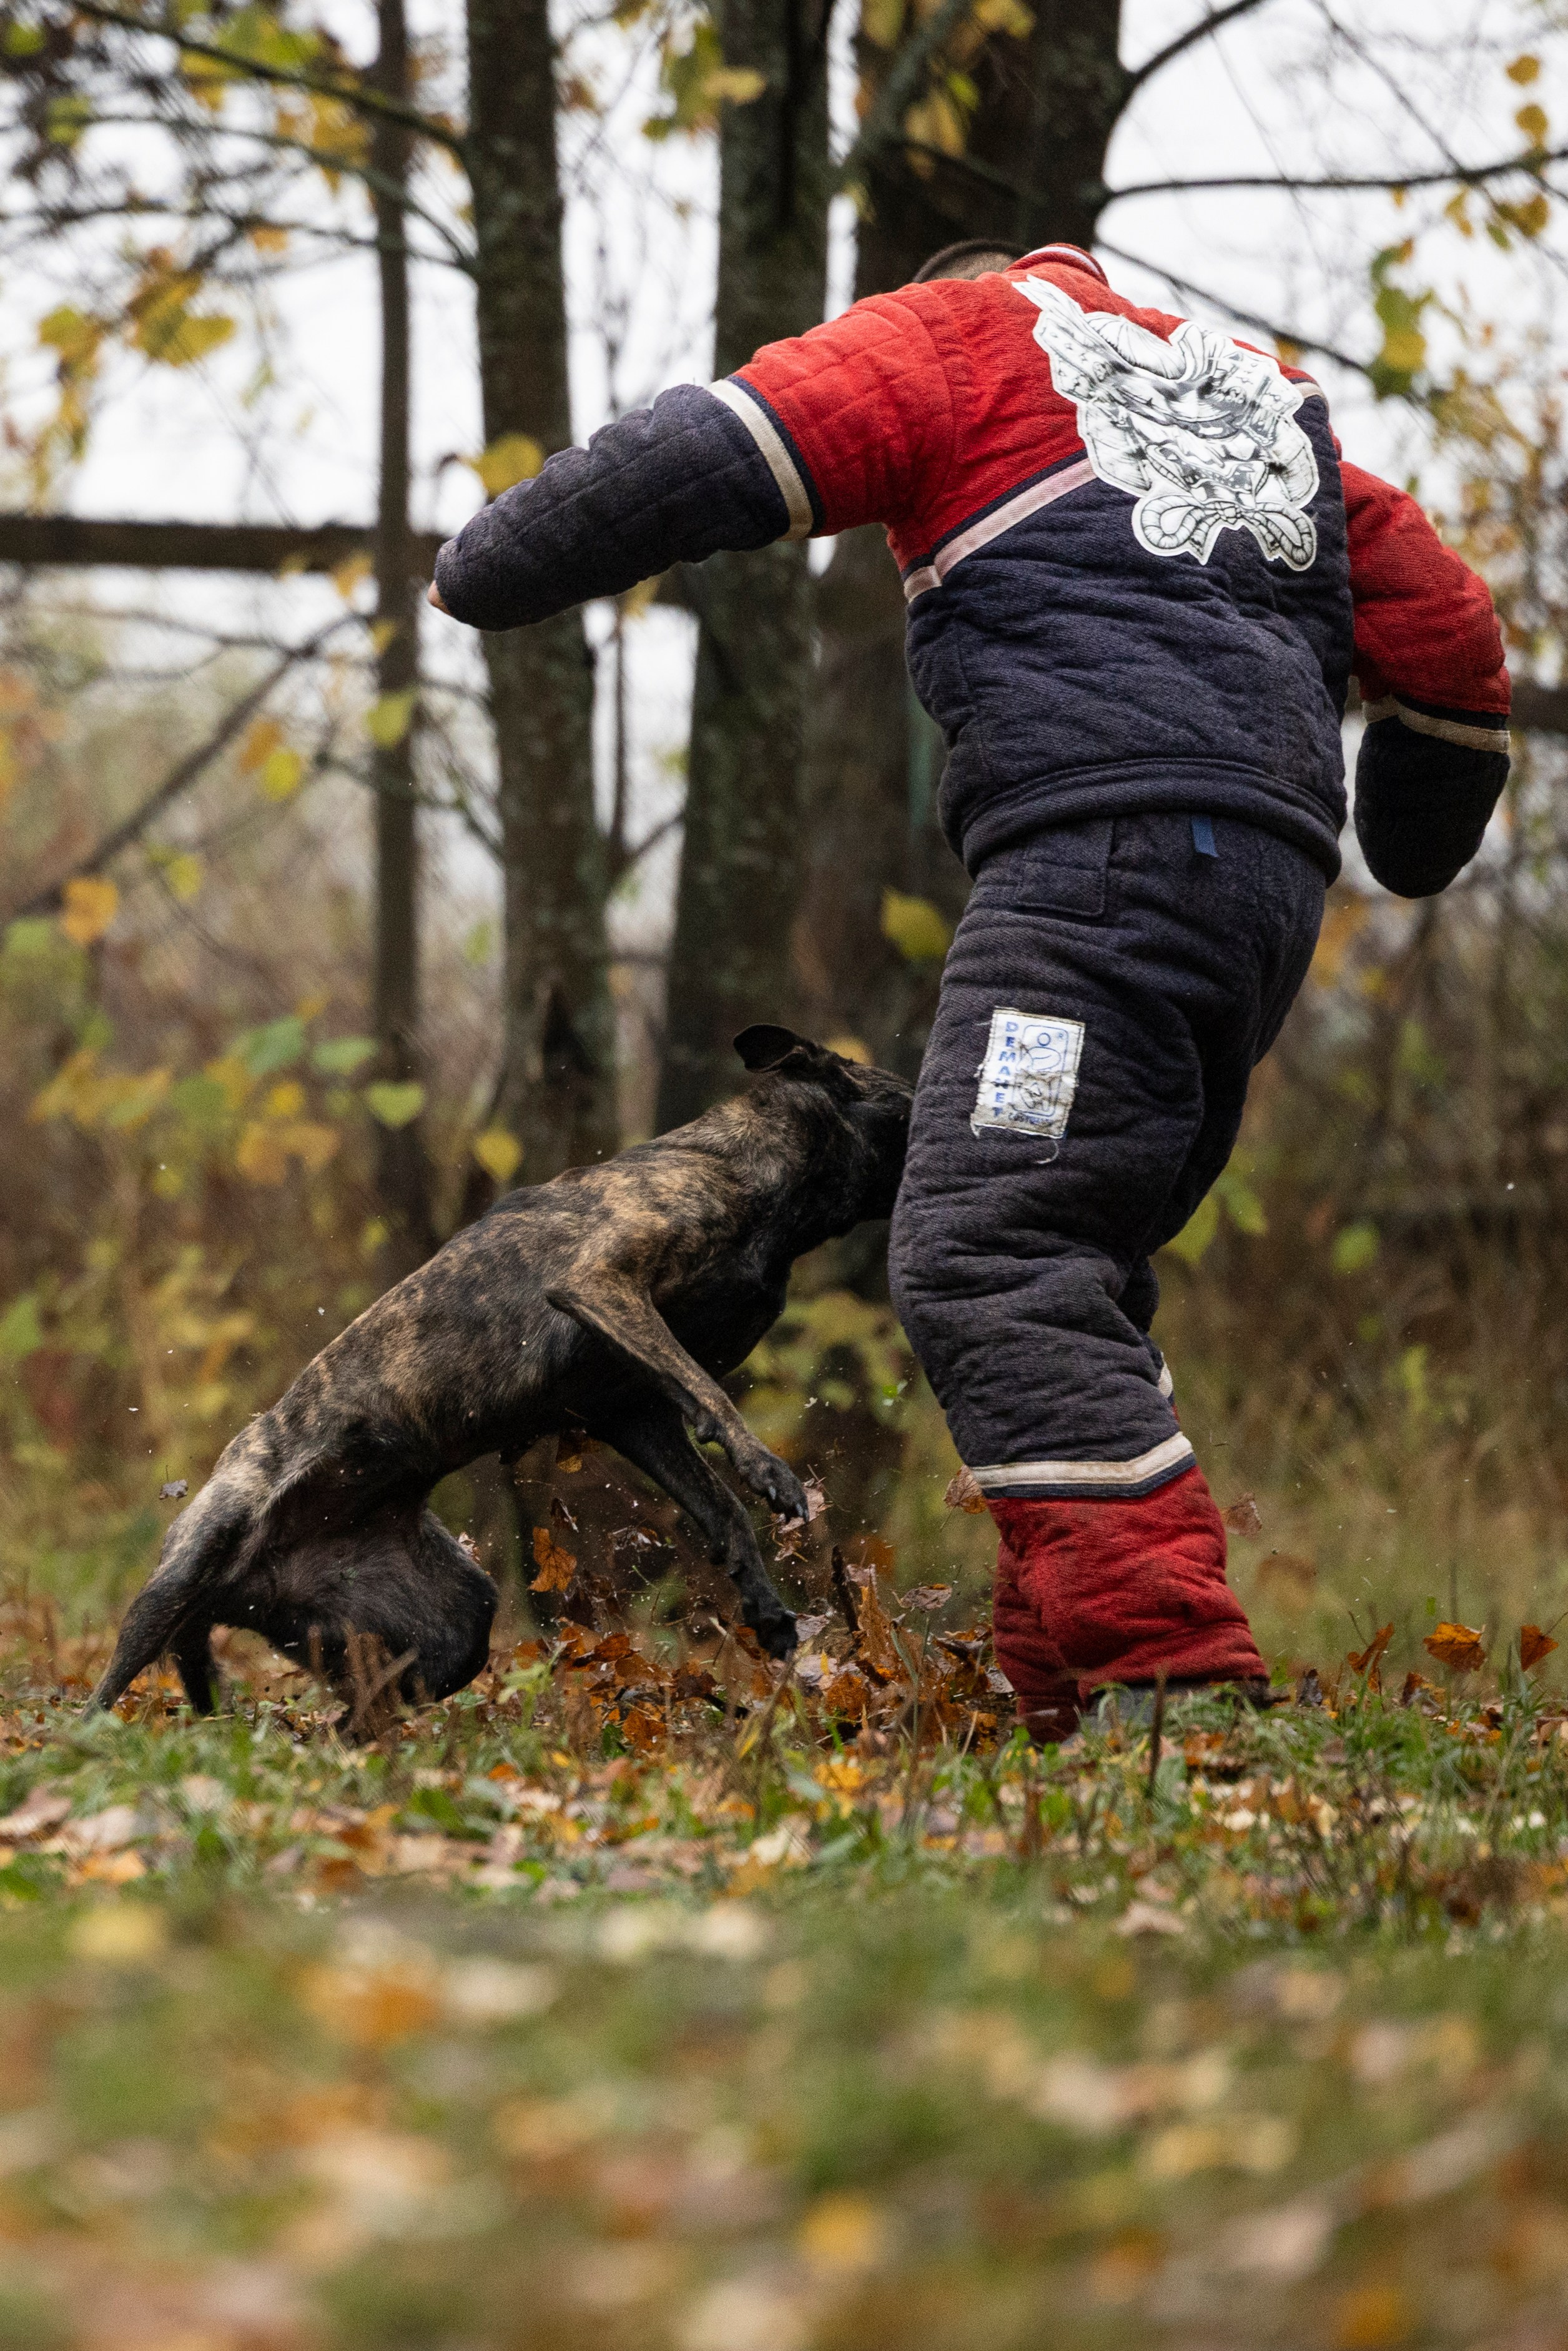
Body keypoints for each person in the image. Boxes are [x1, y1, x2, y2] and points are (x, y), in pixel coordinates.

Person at [430, 239, 1510, 1735]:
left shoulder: (959, 336)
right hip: (1258, 896)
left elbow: (714, 448)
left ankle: (1171, 1674)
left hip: (1098, 868)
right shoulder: (1264, 399)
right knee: (1071, 1261)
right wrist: (1413, 831)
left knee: (985, 1253)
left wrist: (484, 566)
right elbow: (1450, 638)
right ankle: (1058, 1690)